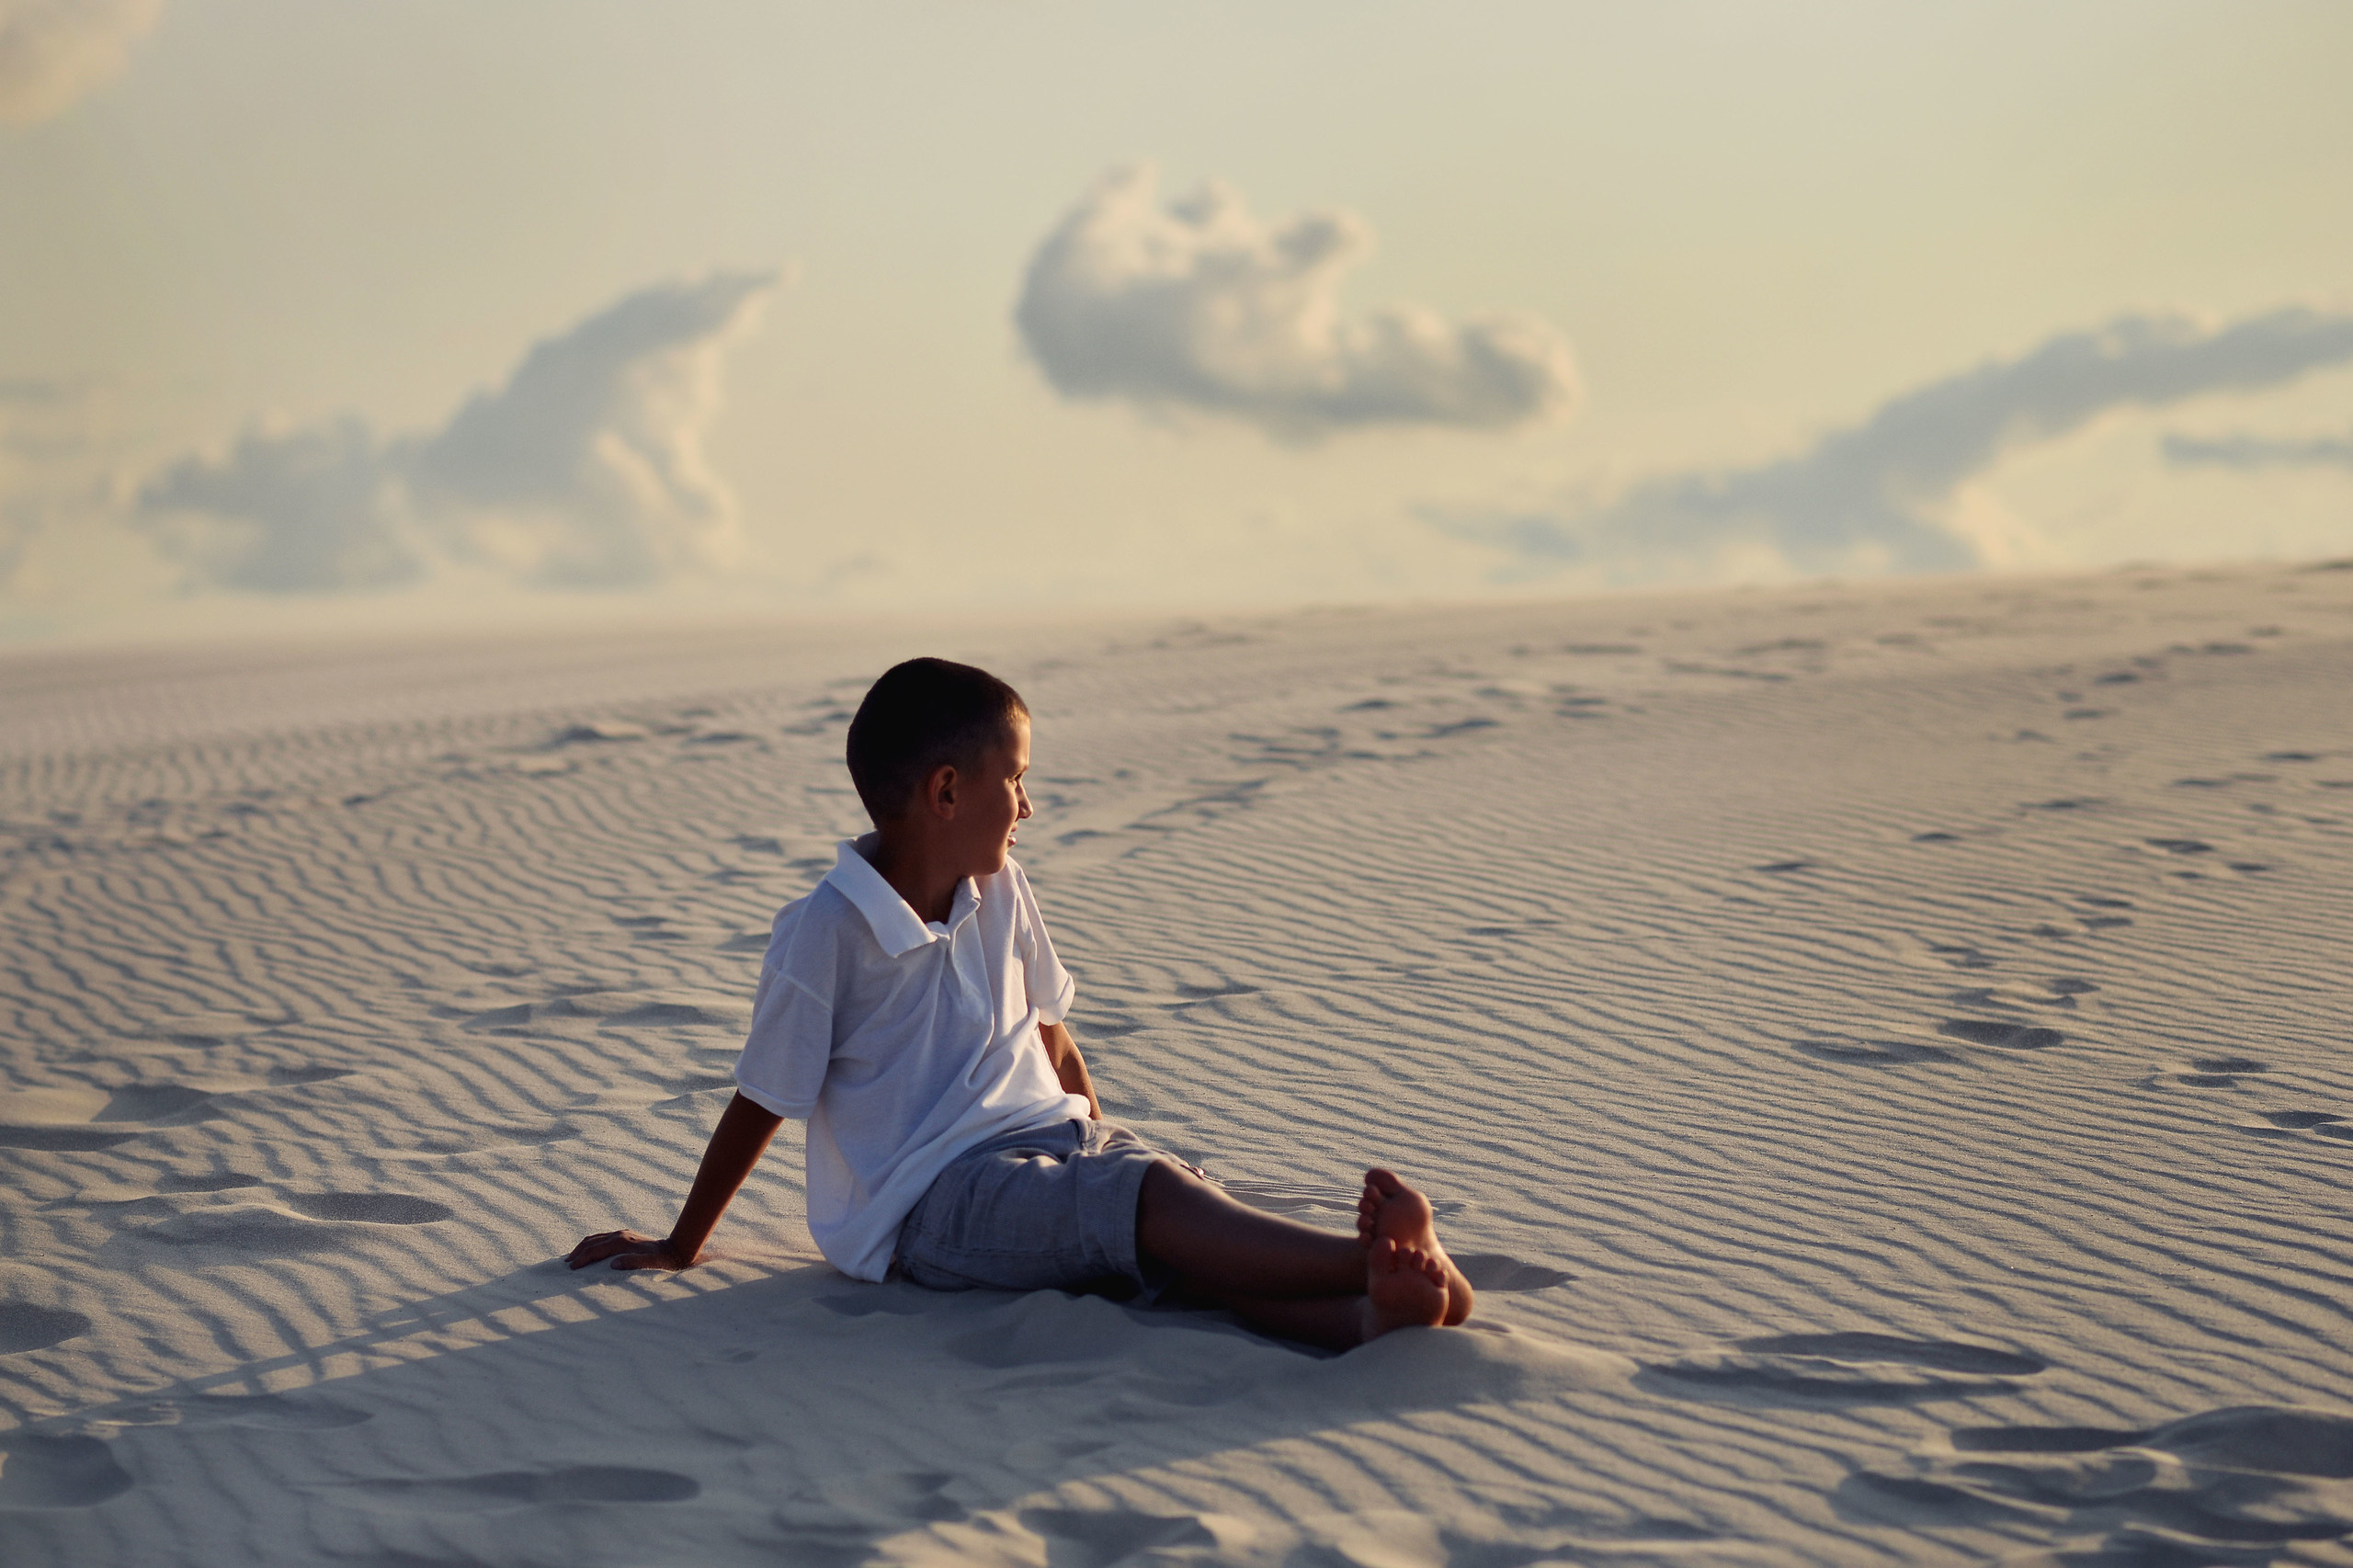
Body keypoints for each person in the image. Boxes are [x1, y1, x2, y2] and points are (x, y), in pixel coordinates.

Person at [569, 657, 1472, 1348]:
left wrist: (1103, 1144)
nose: (1028, 805)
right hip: (928, 1201)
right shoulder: (826, 930)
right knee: (1145, 1207)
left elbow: (1053, 1035)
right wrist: (684, 1243)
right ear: (947, 790)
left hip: (1048, 1139)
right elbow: (764, 1095)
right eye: (1016, 778)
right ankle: (1376, 1262)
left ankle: (1369, 1316)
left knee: (1159, 1221)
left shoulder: (999, 886)